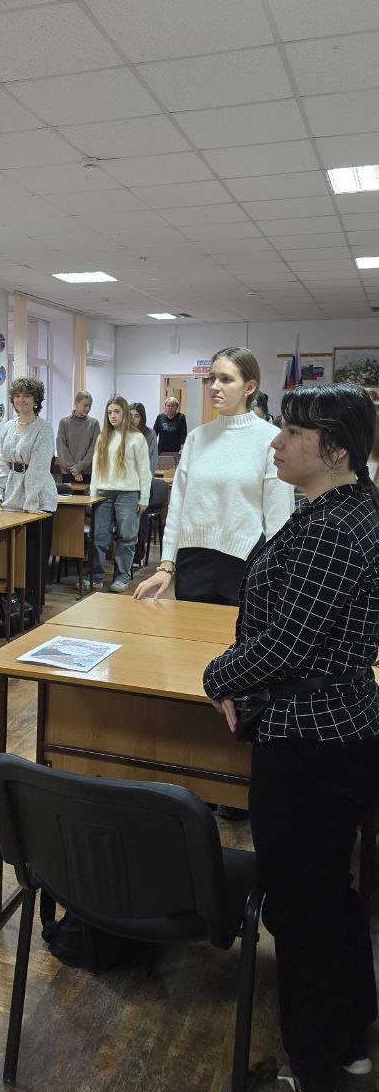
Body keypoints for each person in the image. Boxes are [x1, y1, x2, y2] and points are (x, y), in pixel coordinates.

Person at [203, 384, 379, 1092]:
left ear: (334, 449)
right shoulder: (338, 509)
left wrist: (217, 675)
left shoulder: (335, 527)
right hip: (330, 731)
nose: (275, 444)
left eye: (292, 434)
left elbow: (286, 645)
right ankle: (348, 1040)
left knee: (301, 913)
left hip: (311, 745)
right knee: (328, 898)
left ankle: (312, 1067)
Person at [135, 347, 293, 606]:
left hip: (246, 562)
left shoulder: (270, 439)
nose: (214, 386)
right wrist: (166, 564)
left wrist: (275, 573)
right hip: (192, 561)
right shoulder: (196, 438)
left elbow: (279, 518)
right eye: (211, 378)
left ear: (250, 386)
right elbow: (178, 506)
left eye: (226, 379)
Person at [0, 377, 57, 614]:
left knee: (33, 557)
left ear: (36, 400)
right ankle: (6, 607)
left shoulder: (43, 428)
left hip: (38, 499)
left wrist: (31, 502)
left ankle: (31, 607)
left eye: (26, 396)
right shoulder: (7, 426)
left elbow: (38, 468)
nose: (21, 400)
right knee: (8, 556)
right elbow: (2, 464)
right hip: (11, 498)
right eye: (17, 396)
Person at [89, 395, 151, 592]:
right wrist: (92, 494)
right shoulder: (103, 437)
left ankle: (122, 577)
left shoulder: (137, 438)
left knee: (127, 537)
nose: (113, 416)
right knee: (99, 537)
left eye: (117, 411)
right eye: (109, 412)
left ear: (125, 412)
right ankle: (96, 577)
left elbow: (145, 471)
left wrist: (144, 498)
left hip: (128, 494)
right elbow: (96, 469)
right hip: (103, 493)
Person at [56, 390, 100, 483]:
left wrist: (79, 467)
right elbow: (62, 448)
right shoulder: (64, 422)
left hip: (87, 473)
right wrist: (74, 470)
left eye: (90, 406)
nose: (88, 408)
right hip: (68, 473)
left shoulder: (94, 423)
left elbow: (94, 449)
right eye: (85, 405)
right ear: (76, 403)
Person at [130, 402, 158, 474]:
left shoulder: (150, 434)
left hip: (144, 474)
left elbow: (153, 459)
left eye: (136, 416)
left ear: (142, 418)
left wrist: (147, 477)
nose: (133, 419)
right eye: (130, 416)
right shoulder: (123, 433)